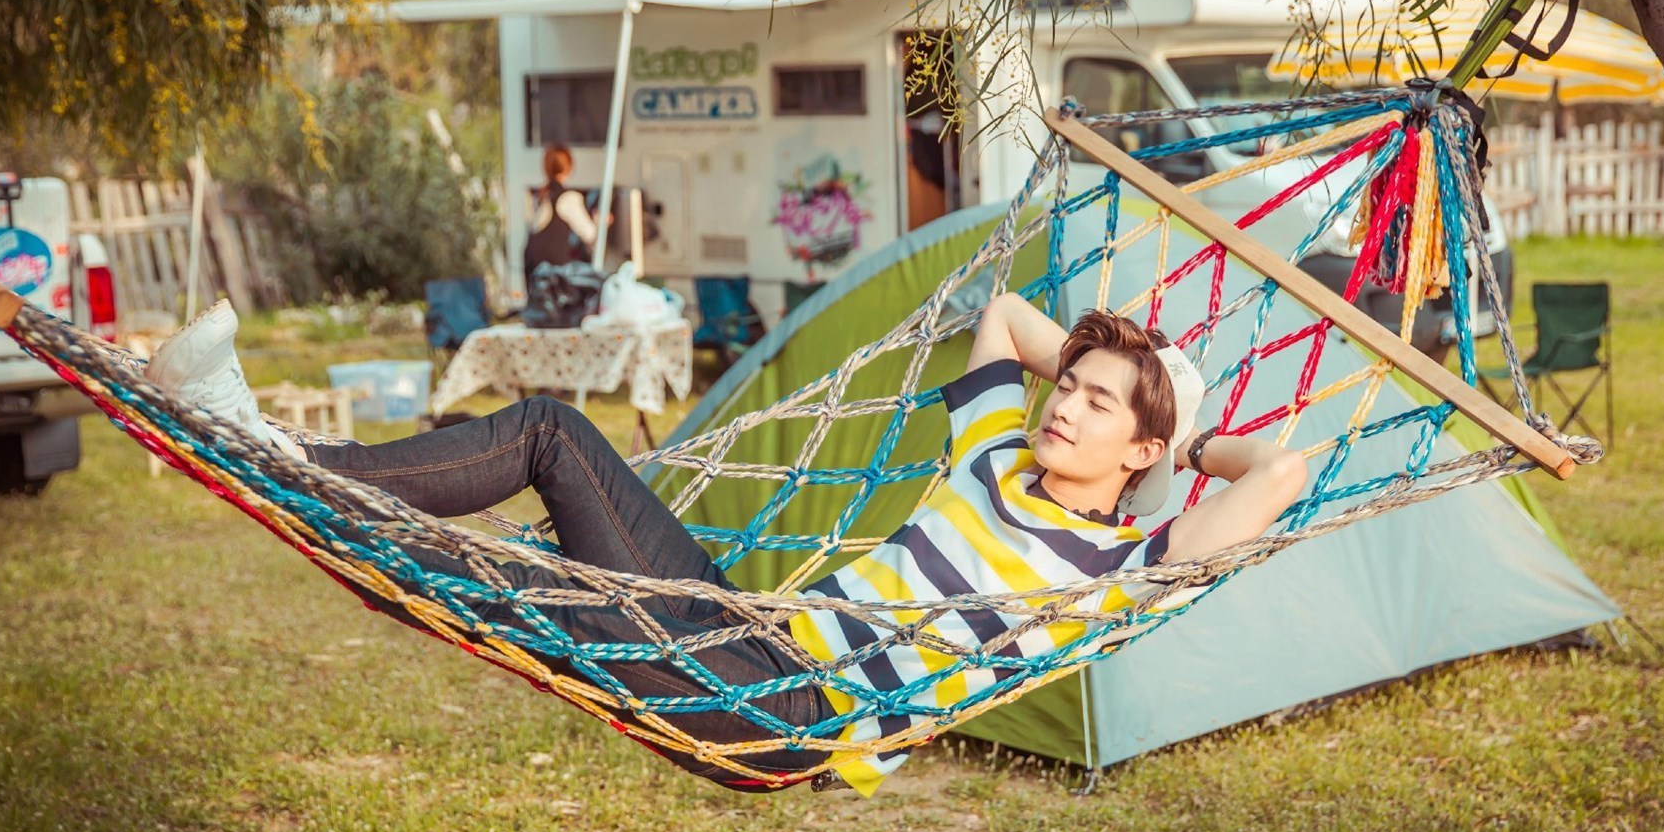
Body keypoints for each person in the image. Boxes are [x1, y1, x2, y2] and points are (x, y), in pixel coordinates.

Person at [147, 293, 1307, 794]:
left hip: (790, 717)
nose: (1066, 408)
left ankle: (265, 455)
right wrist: (1113, 363)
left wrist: (1181, 445)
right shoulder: (992, 457)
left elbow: (1283, 475)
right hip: (748, 630)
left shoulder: (1114, 572)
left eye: (1101, 407)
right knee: (552, 432)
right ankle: (284, 457)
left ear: (1142, 449)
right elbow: (1004, 313)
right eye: (1071, 387)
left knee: (516, 589)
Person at [523, 144, 600, 275]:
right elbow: (589, 234)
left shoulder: (540, 197)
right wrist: (599, 221)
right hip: (555, 273)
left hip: (534, 269)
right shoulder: (567, 198)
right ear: (569, 167)